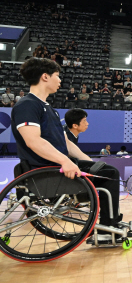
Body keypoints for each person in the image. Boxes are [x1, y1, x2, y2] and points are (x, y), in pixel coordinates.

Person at [10, 58, 124, 241]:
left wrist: (90, 163)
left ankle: (110, 224)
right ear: (45, 77)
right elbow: (33, 141)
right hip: (46, 172)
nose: (60, 80)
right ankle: (106, 230)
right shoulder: (27, 105)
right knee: (109, 175)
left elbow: (67, 145)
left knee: (105, 171)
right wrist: (65, 161)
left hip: (57, 168)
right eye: (57, 76)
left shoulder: (50, 109)